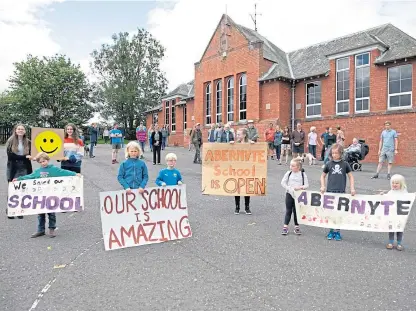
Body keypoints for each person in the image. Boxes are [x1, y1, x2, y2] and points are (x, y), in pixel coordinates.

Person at [14, 152, 81, 238]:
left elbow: (63, 172)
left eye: (44, 161)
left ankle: (52, 229)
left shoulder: (53, 169)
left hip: (51, 195)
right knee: (40, 214)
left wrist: (75, 174)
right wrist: (19, 179)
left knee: (51, 213)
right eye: (41, 162)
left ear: (48, 160)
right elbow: (29, 177)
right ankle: (40, 230)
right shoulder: (38, 171)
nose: (43, 163)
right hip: (40, 196)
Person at [320, 143, 355, 241]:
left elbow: (351, 176)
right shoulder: (329, 164)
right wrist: (323, 186)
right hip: (330, 192)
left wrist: (352, 188)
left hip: (341, 192)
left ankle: (337, 232)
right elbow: (322, 176)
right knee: (331, 212)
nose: (334, 155)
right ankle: (331, 231)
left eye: (336, 153)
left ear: (341, 153)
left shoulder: (345, 164)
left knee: (339, 213)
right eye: (333, 153)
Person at [6, 124, 33, 219]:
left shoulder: (28, 142)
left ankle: (19, 211)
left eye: (22, 129)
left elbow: (31, 155)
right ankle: (10, 210)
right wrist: (25, 157)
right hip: (13, 167)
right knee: (12, 188)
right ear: (15, 130)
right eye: (19, 129)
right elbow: (11, 156)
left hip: (24, 167)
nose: (20, 130)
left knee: (22, 189)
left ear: (24, 131)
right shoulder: (10, 141)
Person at [379, 174, 408, 251]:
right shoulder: (391, 192)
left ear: (401, 184)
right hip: (391, 214)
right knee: (391, 228)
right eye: (393, 183)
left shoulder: (404, 193)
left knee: (399, 229)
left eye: (397, 183)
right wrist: (382, 195)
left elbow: (407, 201)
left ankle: (399, 243)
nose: (394, 185)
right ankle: (391, 242)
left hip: (400, 215)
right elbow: (385, 199)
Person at [280, 158, 309, 235]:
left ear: (298, 167)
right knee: (288, 210)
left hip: (299, 195)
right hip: (289, 194)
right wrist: (290, 188)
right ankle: (285, 227)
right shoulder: (288, 173)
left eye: (293, 166)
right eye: (290, 165)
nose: (291, 167)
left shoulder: (303, 174)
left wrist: (301, 187)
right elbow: (283, 183)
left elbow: (306, 185)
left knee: (296, 211)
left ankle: (297, 227)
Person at [230, 128, 254, 215]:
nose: (237, 136)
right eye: (237, 134)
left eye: (239, 134)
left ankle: (247, 207)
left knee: (247, 188)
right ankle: (237, 207)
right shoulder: (235, 143)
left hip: (247, 169)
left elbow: (257, 152)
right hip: (238, 169)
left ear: (244, 135)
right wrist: (231, 145)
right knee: (237, 188)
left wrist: (254, 145)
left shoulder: (250, 143)